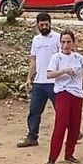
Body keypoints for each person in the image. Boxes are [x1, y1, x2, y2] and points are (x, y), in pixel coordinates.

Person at [45, 30, 83, 164]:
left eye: (68, 42)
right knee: (60, 124)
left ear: (73, 43)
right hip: (63, 92)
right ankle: (52, 157)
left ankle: (69, 153)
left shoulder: (77, 57)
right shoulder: (56, 58)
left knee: (75, 125)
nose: (66, 45)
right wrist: (64, 70)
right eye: (63, 42)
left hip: (77, 94)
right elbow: (49, 74)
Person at [18, 12, 61, 148]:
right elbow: (33, 60)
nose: (44, 27)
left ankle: (74, 132)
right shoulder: (36, 40)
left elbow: (63, 58)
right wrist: (29, 78)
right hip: (39, 82)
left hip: (54, 81)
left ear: (50, 23)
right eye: (41, 25)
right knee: (34, 111)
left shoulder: (58, 38)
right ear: (37, 25)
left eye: (46, 24)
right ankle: (32, 137)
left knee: (61, 110)